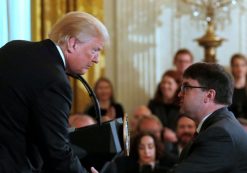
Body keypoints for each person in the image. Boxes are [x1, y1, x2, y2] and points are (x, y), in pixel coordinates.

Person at [0, 11, 109, 173]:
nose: (96, 59)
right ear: (73, 44)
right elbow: (57, 151)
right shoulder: (55, 81)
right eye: (95, 49)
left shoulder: (14, 47)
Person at [169, 62, 247, 173]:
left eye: (186, 87)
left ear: (209, 95)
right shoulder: (221, 125)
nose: (179, 94)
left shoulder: (220, 134)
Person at [228, 53, 247, 118]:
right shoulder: (227, 88)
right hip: (232, 124)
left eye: (243, 65)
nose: (240, 68)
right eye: (236, 65)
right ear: (232, 67)